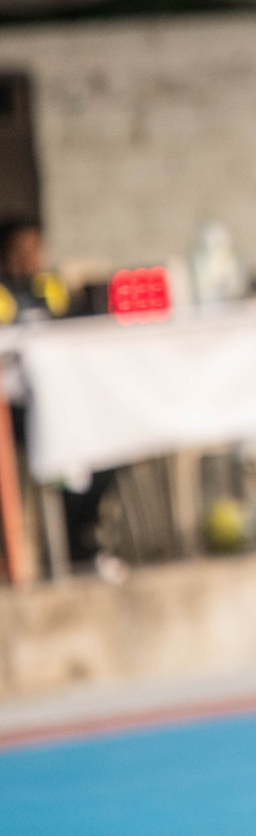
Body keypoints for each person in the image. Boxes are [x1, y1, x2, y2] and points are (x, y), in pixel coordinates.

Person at [0, 217, 123, 579]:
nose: (31, 257)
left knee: (105, 441)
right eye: (22, 249)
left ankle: (79, 539)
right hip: (15, 413)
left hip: (65, 405)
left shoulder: (53, 287)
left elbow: (80, 330)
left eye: (36, 248)